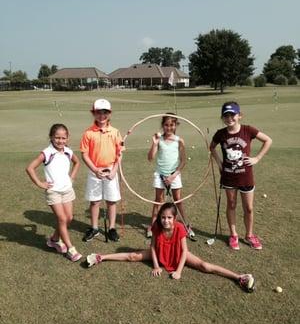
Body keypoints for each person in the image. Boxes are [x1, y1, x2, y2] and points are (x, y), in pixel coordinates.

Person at [85, 203, 255, 292]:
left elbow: (184, 252)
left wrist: (179, 271)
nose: (165, 220)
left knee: (204, 266)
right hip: (159, 253)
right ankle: (101, 257)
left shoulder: (180, 228)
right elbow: (152, 248)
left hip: (179, 254)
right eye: (163, 217)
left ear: (174, 218)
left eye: (169, 218)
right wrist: (157, 265)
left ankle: (239, 277)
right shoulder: (156, 226)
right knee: (133, 256)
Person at [210, 101, 272, 250]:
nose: (229, 118)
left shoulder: (248, 130)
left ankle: (249, 235)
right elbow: (212, 147)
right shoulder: (220, 133)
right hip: (229, 177)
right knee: (231, 204)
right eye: (226, 115)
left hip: (246, 176)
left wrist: (256, 158)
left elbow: (268, 140)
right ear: (222, 117)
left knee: (249, 208)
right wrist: (219, 164)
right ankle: (233, 235)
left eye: (233, 115)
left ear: (240, 116)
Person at [26, 124, 82, 262]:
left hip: (67, 190)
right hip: (54, 192)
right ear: (51, 137)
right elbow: (30, 168)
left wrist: (72, 177)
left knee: (68, 218)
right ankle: (70, 248)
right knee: (62, 219)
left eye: (63, 138)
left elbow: (77, 162)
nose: (60, 141)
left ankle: (54, 240)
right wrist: (40, 183)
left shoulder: (68, 151)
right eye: (57, 137)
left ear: (68, 138)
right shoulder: (47, 152)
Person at [147, 113, 196, 240]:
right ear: (163, 125)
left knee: (178, 200)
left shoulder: (179, 141)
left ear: (176, 125)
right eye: (166, 125)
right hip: (160, 174)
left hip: (174, 174)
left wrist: (173, 176)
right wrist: (154, 143)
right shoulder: (159, 140)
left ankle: (186, 225)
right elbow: (150, 158)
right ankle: (153, 225)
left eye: (172, 125)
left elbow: (183, 161)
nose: (169, 128)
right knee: (158, 200)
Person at [80, 98, 123, 242]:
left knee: (111, 201)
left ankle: (111, 228)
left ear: (109, 114)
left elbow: (119, 154)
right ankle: (94, 228)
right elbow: (84, 154)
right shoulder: (88, 133)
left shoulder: (115, 132)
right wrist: (95, 169)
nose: (102, 116)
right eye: (98, 112)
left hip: (111, 170)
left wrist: (114, 170)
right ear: (93, 113)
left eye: (105, 112)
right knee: (95, 201)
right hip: (94, 171)